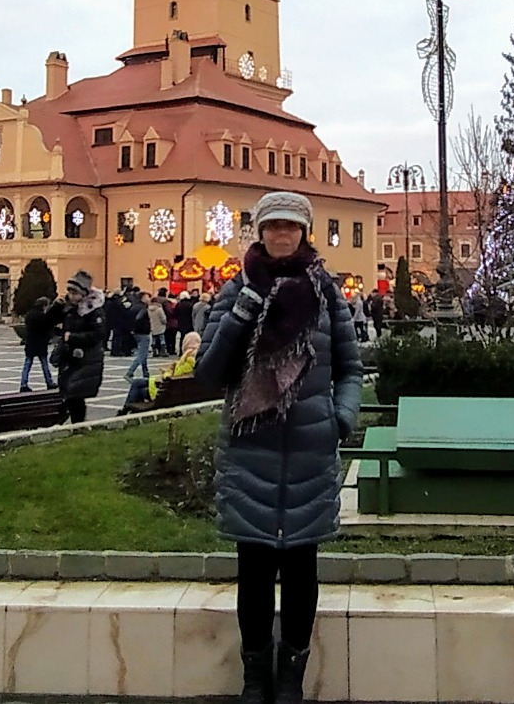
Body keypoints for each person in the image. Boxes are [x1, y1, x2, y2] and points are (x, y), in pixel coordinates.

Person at [195, 191, 363, 704]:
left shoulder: (327, 293)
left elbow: (351, 368)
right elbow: (208, 373)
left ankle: (291, 676)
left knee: (300, 571)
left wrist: (341, 417)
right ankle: (254, 676)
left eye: (291, 226)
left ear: (304, 232)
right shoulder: (236, 290)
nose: (282, 234)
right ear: (260, 233)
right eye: (273, 227)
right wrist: (242, 312)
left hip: (311, 448)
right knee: (253, 568)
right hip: (251, 449)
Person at [50, 270, 107, 423]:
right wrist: (56, 306)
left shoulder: (93, 309)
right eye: (70, 292)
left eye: (75, 293)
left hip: (86, 359)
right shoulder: (69, 307)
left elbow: (98, 334)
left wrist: (73, 337)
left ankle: (76, 425)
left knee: (74, 395)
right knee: (69, 395)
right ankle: (72, 425)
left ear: (84, 293)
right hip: (69, 358)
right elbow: (47, 321)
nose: (72, 296)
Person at [20, 296, 58, 392]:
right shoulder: (42, 316)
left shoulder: (29, 315)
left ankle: (23, 384)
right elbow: (46, 329)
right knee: (44, 365)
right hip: (40, 344)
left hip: (30, 343)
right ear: (44, 305)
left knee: (27, 365)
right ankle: (49, 382)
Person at [127, 289, 154, 382]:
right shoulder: (143, 308)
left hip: (136, 333)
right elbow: (139, 320)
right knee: (142, 354)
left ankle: (146, 373)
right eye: (147, 297)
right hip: (143, 332)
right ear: (143, 297)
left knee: (144, 354)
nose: (149, 298)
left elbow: (130, 319)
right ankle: (130, 372)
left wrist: (132, 329)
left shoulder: (134, 306)